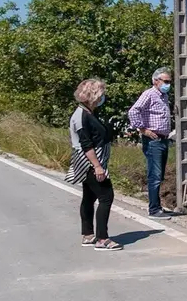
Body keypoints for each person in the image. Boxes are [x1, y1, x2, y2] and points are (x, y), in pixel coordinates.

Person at [65, 78, 121, 250]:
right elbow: (86, 144)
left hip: (92, 160)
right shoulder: (81, 116)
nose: (102, 97)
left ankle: (88, 234)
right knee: (106, 196)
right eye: (100, 93)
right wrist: (97, 166)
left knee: (89, 197)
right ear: (93, 95)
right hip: (90, 161)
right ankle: (102, 238)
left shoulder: (87, 112)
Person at [127, 67, 174, 219]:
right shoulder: (149, 94)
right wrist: (143, 129)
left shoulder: (163, 96)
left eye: (169, 81)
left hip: (163, 139)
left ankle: (157, 206)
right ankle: (154, 209)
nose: (168, 84)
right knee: (154, 175)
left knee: (159, 175)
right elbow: (134, 111)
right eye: (165, 81)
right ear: (156, 81)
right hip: (153, 140)